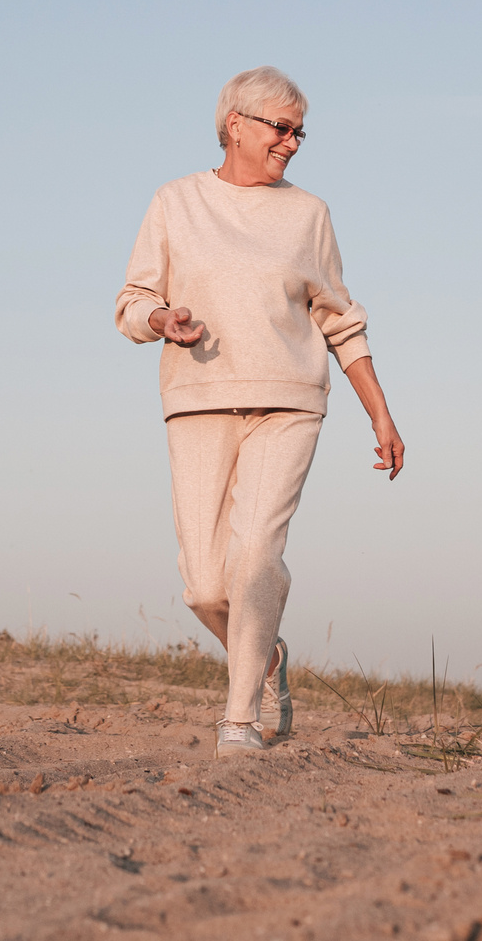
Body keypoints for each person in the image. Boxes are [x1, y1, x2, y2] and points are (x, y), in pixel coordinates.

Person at [116, 66, 406, 758]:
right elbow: (129, 303)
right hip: (198, 400)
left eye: (300, 130)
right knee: (203, 584)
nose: (293, 142)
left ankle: (239, 718)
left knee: (254, 558)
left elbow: (341, 321)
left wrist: (381, 416)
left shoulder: (309, 214)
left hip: (290, 402)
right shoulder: (175, 202)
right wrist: (162, 317)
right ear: (234, 125)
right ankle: (267, 657)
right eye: (281, 127)